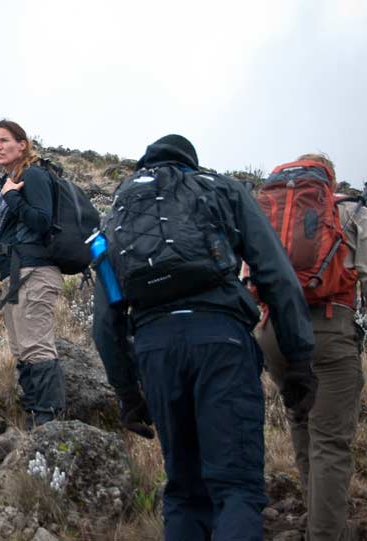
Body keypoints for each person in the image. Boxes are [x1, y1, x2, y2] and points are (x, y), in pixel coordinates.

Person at [92, 134, 316, 540]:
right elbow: (277, 276)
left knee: (184, 490)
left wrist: (128, 395)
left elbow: (105, 319)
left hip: (156, 349)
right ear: (190, 163)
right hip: (221, 343)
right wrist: (299, 359)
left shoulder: (119, 211)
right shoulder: (222, 189)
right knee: (237, 489)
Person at [254, 153, 367, 540]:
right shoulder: (354, 214)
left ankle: (316, 522)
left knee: (302, 427)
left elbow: (248, 276)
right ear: (330, 181)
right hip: (326, 329)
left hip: (273, 333)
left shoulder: (272, 215)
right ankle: (325, 533)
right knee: (330, 444)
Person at [0, 120, 64, 428]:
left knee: (36, 344)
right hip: (17, 272)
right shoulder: (10, 180)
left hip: (36, 270)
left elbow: (42, 221)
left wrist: (13, 198)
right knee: (20, 347)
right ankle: (33, 414)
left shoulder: (34, 175)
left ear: (22, 144)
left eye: (4, 140)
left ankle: (48, 421)